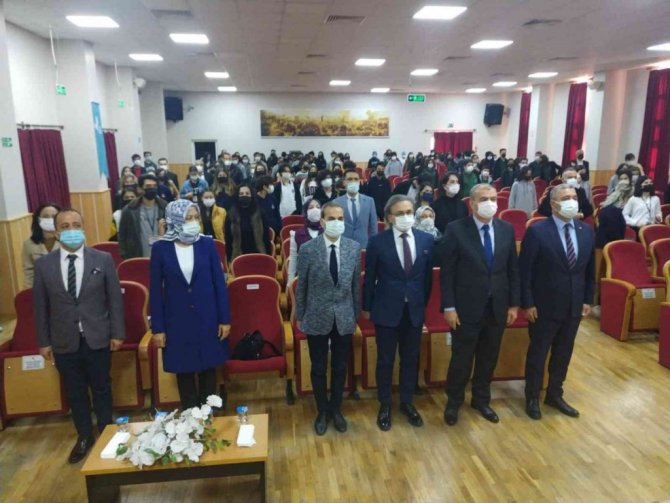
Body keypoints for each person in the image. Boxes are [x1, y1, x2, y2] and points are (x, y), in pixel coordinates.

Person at [34, 208, 125, 463]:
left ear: (83, 228)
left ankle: (106, 432)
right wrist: (43, 341)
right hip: (64, 339)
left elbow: (114, 300)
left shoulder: (102, 259)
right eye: (65, 226)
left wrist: (117, 333)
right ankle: (84, 436)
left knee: (102, 387)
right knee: (75, 391)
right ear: (56, 232)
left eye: (76, 224)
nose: (71, 230)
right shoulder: (44, 265)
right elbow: (40, 306)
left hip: (98, 336)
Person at [440, 184, 520, 426]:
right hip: (465, 308)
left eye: (493, 198)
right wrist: (449, 307)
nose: (490, 203)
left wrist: (513, 305)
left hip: (497, 306)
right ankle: (454, 402)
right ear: (472, 203)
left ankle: (481, 400)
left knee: (488, 357)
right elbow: (447, 273)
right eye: (484, 199)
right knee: (461, 359)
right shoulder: (456, 229)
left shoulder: (506, 229)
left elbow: (512, 270)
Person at [519, 184, 595, 420]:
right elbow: (525, 271)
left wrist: (588, 299)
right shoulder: (538, 231)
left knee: (563, 352)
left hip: (574, 305)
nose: (572, 201)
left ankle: (555, 394)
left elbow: (590, 270)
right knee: (538, 354)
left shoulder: (586, 231)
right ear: (553, 204)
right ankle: (532, 397)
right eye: (565, 198)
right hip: (543, 306)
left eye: (574, 197)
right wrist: (527, 303)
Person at [150, 200, 231, 410]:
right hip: (177, 320)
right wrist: (158, 328)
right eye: (188, 218)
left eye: (196, 217)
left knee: (208, 369)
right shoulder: (160, 248)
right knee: (184, 371)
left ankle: (208, 415)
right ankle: (190, 417)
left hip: (207, 317)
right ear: (175, 220)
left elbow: (219, 284)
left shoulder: (206, 244)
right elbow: (155, 292)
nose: (194, 222)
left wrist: (225, 319)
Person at [363, 195, 434, 431]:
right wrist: (367, 307)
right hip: (386, 309)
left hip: (414, 310)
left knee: (410, 359)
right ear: (390, 217)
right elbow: (369, 278)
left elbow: (427, 279)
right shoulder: (377, 242)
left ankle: (407, 402)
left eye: (409, 212)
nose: (406, 217)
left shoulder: (426, 240)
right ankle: (385, 404)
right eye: (400, 213)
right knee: (385, 360)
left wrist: (421, 304)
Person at [295, 201, 360, 435]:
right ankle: (322, 409)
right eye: (331, 218)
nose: (336, 222)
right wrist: (300, 314)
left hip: (344, 315)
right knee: (319, 366)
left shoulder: (353, 248)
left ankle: (336, 408)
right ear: (322, 222)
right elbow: (302, 286)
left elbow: (355, 286)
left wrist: (355, 315)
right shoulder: (308, 249)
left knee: (341, 366)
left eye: (340, 218)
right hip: (316, 314)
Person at [118, 174, 167, 260]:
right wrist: (125, 256)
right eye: (148, 186)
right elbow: (122, 235)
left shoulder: (165, 207)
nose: (152, 189)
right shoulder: (129, 210)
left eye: (154, 186)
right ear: (140, 189)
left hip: (162, 257)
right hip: (138, 257)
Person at [224, 183, 272, 261]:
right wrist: (229, 259)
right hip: (238, 256)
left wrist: (268, 256)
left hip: (258, 253)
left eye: (247, 193)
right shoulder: (231, 214)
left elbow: (266, 236)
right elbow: (228, 238)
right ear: (237, 196)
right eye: (241, 194)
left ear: (252, 195)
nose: (244, 195)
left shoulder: (260, 213)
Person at [335, 169, 378, 248]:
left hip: (363, 245)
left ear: (359, 181)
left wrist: (373, 245)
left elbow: (373, 226)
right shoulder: (336, 202)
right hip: (343, 245)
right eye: (350, 179)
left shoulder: (369, 201)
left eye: (356, 179)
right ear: (344, 182)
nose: (353, 181)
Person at [22, 203, 61, 288]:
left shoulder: (68, 240)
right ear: (38, 219)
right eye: (46, 216)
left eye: (54, 216)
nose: (50, 219)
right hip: (41, 288)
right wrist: (29, 291)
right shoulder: (29, 244)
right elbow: (29, 272)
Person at [288, 200, 323, 283]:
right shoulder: (296, 234)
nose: (315, 209)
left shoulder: (328, 232)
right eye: (311, 207)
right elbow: (293, 259)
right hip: (303, 278)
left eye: (318, 207)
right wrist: (290, 281)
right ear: (305, 211)